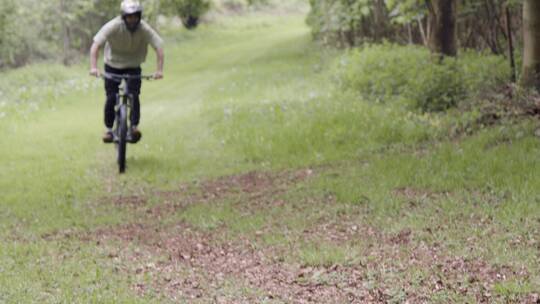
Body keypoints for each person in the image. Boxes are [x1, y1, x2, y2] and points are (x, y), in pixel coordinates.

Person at [89, 0, 164, 143]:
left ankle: (134, 127)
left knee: (134, 95)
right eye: (129, 16)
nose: (132, 19)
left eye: (135, 16)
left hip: (133, 65)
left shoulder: (144, 29)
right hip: (112, 64)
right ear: (123, 16)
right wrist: (93, 67)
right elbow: (96, 45)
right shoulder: (113, 26)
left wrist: (159, 70)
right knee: (111, 97)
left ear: (139, 16)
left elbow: (159, 47)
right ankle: (109, 130)